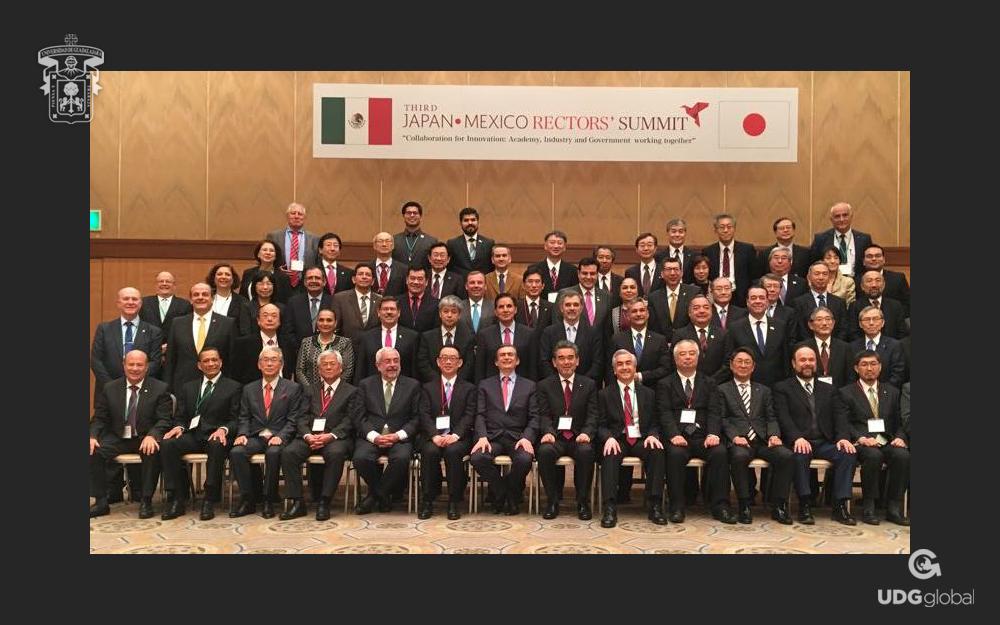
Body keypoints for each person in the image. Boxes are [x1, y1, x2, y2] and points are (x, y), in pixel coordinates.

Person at [773, 346, 858, 526]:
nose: (807, 363)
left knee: (847, 453)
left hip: (825, 442)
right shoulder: (782, 388)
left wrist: (843, 437)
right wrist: (796, 437)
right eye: (802, 360)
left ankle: (840, 505)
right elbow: (783, 417)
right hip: (799, 441)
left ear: (816, 363)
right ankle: (805, 504)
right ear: (794, 363)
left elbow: (840, 416)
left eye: (811, 360)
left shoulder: (829, 389)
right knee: (800, 455)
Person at [158, 348, 242, 521]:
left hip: (218, 435)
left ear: (221, 362)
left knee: (216, 445)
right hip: (193, 434)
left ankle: (209, 499)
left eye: (214, 360)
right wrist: (179, 427)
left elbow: (236, 419)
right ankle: (176, 498)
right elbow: (180, 416)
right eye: (206, 361)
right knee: (168, 443)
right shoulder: (188, 387)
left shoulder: (234, 387)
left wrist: (223, 429)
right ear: (199, 365)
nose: (211, 364)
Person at [89, 350, 173, 518]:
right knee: (92, 450)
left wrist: (153, 435)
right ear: (124, 365)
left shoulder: (160, 388)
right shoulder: (110, 388)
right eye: (131, 364)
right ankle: (101, 501)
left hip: (144, 437)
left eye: (139, 365)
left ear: (146, 367)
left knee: (152, 451)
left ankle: (146, 501)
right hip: (118, 437)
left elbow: (165, 419)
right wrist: (92, 436)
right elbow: (99, 418)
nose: (135, 368)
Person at [660, 339, 736, 524]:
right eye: (682, 354)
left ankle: (720, 506)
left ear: (698, 357)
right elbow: (664, 412)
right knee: (675, 455)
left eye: (691, 353)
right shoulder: (665, 383)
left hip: (703, 436)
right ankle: (677, 506)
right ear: (675, 358)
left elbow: (714, 411)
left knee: (720, 452)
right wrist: (673, 435)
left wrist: (713, 433)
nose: (687, 357)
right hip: (678, 436)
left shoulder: (709, 382)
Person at [280, 350, 361, 521]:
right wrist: (307, 435)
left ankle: (325, 501)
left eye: (332, 364)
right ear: (318, 370)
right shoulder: (309, 390)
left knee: (336, 453)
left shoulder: (351, 391)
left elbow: (350, 420)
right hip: (310, 436)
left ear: (341, 368)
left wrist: (330, 435)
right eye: (325, 364)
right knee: (289, 452)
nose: (329, 367)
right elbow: (301, 417)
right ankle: (297, 502)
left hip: (336, 438)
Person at [228, 346, 307, 518]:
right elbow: (244, 417)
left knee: (273, 453)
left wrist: (281, 436)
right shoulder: (249, 389)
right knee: (237, 452)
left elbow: (293, 419)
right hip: (256, 436)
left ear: (281, 364)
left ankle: (269, 500)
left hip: (280, 436)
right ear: (259, 364)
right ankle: (248, 499)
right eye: (266, 360)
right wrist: (242, 434)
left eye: (274, 360)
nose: (269, 364)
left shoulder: (293, 388)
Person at [718, 348, 795, 524]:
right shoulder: (722, 390)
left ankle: (779, 505)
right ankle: (744, 505)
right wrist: (734, 436)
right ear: (731, 365)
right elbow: (722, 419)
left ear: (753, 367)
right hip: (739, 441)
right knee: (739, 457)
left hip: (762, 440)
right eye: (739, 361)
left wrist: (774, 435)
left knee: (786, 456)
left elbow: (771, 417)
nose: (743, 365)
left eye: (747, 362)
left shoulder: (764, 390)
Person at [597, 349, 667, 527]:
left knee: (657, 451)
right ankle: (609, 508)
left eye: (628, 363)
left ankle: (655, 505)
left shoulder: (649, 394)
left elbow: (656, 421)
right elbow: (600, 424)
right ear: (614, 370)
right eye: (619, 364)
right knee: (609, 453)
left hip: (642, 438)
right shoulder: (604, 394)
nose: (624, 367)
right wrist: (608, 438)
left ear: (635, 368)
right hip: (618, 438)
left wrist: (653, 435)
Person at [840, 350, 910, 526]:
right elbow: (844, 422)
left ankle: (893, 508)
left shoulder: (892, 392)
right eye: (864, 364)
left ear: (880, 367)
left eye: (873, 364)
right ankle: (869, 507)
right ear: (856, 368)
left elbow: (901, 420)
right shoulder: (846, 392)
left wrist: (900, 437)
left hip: (887, 440)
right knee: (873, 456)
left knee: (902, 455)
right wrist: (860, 438)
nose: (869, 368)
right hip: (862, 442)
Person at [353, 347, 427, 513]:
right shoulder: (365, 385)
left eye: (396, 361)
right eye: (387, 361)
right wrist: (374, 436)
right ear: (378, 365)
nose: (392, 365)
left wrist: (398, 435)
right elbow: (359, 416)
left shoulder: (413, 385)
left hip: (400, 437)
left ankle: (375, 496)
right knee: (360, 458)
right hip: (372, 436)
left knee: (401, 458)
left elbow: (417, 418)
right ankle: (383, 496)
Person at [470, 345, 540, 515]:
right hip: (491, 437)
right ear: (496, 362)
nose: (507, 357)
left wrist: (527, 437)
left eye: (510, 355)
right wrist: (482, 436)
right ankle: (505, 493)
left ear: (517, 361)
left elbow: (534, 417)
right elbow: (480, 414)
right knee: (478, 457)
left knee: (524, 459)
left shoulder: (529, 386)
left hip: (518, 438)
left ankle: (505, 495)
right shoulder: (485, 385)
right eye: (502, 355)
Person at [536, 341, 598, 521]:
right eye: (561, 358)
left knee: (586, 452)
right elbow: (543, 414)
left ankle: (582, 502)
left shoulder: (589, 384)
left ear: (577, 361)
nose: (566, 362)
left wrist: (587, 433)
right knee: (545, 451)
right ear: (554, 362)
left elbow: (593, 415)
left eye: (570, 358)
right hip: (555, 437)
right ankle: (552, 501)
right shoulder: (544, 385)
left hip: (579, 437)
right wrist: (548, 431)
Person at [417, 345, 476, 520]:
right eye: (444, 358)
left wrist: (455, 436)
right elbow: (424, 414)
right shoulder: (427, 387)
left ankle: (454, 500)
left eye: (452, 358)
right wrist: (434, 435)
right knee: (429, 451)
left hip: (459, 438)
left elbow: (469, 415)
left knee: (453, 451)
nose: (448, 362)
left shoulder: (469, 388)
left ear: (460, 363)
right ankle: (428, 499)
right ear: (438, 362)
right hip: (433, 436)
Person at [163, 283, 236, 393]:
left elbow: (231, 360)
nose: (200, 297)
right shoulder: (177, 323)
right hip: (183, 387)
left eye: (205, 294)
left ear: (212, 299)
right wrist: (168, 390)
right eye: (196, 295)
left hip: (217, 388)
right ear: (191, 300)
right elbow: (170, 360)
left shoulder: (227, 323)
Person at [92, 287, 163, 392]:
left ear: (140, 304)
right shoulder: (104, 329)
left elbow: (155, 363)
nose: (130, 302)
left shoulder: (154, 332)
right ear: (118, 303)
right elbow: (96, 361)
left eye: (134, 299)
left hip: (140, 390)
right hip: (107, 389)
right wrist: (111, 386)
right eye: (126, 299)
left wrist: (134, 382)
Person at [723, 286, 792, 387]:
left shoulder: (780, 326)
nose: (758, 301)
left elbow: (785, 358)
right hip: (747, 385)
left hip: (776, 386)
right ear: (747, 302)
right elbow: (730, 358)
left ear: (767, 302)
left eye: (762, 298)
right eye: (753, 298)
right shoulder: (735, 328)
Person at [605, 298, 671, 389]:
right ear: (628, 316)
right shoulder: (617, 339)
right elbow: (610, 370)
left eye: (642, 310)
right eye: (634, 311)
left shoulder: (660, 340)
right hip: (624, 391)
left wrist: (641, 376)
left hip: (653, 391)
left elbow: (665, 369)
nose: (638, 314)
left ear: (647, 314)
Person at [539, 291, 603, 382]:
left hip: (585, 386)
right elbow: (544, 361)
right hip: (555, 385)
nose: (572, 308)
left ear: (581, 308)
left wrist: (581, 384)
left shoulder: (593, 333)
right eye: (568, 305)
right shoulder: (549, 332)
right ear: (561, 308)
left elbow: (597, 363)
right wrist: (559, 382)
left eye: (576, 305)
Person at [355, 296, 420, 381]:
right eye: (385, 309)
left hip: (403, 386)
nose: (389, 312)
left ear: (399, 312)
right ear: (378, 312)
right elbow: (361, 369)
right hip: (373, 386)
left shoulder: (411, 337)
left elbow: (414, 370)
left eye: (392, 309)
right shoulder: (367, 337)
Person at [475, 293, 536, 382]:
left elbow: (533, 367)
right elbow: (479, 368)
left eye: (509, 306)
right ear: (495, 312)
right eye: (501, 307)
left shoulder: (529, 334)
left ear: (515, 310)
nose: (505, 310)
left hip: (522, 386)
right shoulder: (484, 335)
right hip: (492, 386)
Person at [231, 303, 296, 384]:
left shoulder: (288, 344)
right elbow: (236, 375)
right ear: (258, 320)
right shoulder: (243, 344)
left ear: (279, 321)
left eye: (274, 316)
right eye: (265, 315)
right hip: (253, 390)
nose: (269, 319)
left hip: (283, 390)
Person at [702, 213, 759, 304]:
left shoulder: (747, 249)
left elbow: (755, 276)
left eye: (729, 227)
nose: (726, 230)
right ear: (715, 230)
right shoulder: (708, 251)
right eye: (722, 227)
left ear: (734, 229)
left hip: (741, 296)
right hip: (716, 296)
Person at [417, 296, 475, 383]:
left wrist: (454, 381)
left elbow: (469, 364)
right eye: (446, 311)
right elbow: (423, 363)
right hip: (433, 384)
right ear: (440, 314)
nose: (449, 315)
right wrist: (440, 381)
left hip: (459, 384)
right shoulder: (427, 337)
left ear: (459, 315)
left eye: (454, 312)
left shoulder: (468, 337)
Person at [671, 296, 729, 382]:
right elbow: (674, 362)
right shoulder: (680, 335)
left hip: (718, 385)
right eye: (696, 308)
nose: (701, 311)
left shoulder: (723, 334)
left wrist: (711, 382)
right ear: (689, 313)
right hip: (688, 384)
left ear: (712, 311)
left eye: (706, 307)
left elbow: (728, 363)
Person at [809, 201, 873, 278]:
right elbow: (813, 265)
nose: (841, 219)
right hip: (829, 282)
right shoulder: (820, 239)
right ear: (831, 219)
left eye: (845, 215)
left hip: (857, 282)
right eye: (837, 216)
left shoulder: (864, 239)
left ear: (851, 216)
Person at [295, 308, 355, 388]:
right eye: (321, 320)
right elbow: (300, 370)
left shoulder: (345, 342)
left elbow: (348, 370)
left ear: (335, 323)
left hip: (337, 391)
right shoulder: (306, 342)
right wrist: (311, 390)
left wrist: (332, 388)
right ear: (317, 322)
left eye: (329, 320)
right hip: (310, 391)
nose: (325, 323)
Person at [791, 261, 849, 342]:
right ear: (809, 277)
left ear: (829, 277)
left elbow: (843, 329)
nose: (821, 277)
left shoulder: (839, 302)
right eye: (817, 274)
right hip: (807, 347)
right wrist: (815, 345)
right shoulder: (798, 303)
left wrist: (831, 345)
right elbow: (799, 330)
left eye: (825, 274)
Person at [265, 202, 319, 289]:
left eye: (300, 214)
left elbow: (318, 263)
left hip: (305, 285)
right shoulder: (274, 236)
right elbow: (266, 260)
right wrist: (277, 270)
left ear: (304, 217)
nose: (296, 216)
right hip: (279, 283)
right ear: (287, 216)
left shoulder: (315, 239)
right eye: (293, 213)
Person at [849, 306, 906, 388]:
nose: (871, 323)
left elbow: (898, 374)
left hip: (887, 392)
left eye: (875, 319)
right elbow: (850, 375)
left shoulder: (895, 345)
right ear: (860, 324)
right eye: (867, 319)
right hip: (858, 393)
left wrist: (881, 391)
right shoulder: (852, 347)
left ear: (882, 323)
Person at [795, 307, 852, 388]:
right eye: (819, 319)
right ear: (810, 325)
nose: (824, 323)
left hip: (839, 393)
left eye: (828, 319)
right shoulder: (802, 347)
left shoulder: (845, 348)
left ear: (833, 323)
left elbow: (850, 377)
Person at [647, 257, 702, 340]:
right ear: (662, 274)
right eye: (668, 269)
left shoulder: (694, 293)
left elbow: (698, 320)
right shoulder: (653, 297)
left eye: (676, 269)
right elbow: (653, 326)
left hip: (689, 342)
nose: (672, 273)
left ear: (681, 273)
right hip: (663, 343)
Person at [848, 269, 908, 341]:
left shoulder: (895, 306)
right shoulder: (854, 306)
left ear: (884, 285)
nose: (874, 285)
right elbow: (853, 333)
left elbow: (902, 333)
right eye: (869, 281)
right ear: (862, 286)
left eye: (878, 280)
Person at [331, 263, 381, 342]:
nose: (364, 277)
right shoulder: (340, 298)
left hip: (373, 345)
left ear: (373, 281)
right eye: (360, 274)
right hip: (347, 345)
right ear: (353, 279)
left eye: (368, 275)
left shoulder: (380, 300)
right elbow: (335, 327)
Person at [556, 257, 610, 331]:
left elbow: (607, 327)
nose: (588, 277)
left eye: (592, 274)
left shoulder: (606, 296)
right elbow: (557, 323)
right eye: (585, 273)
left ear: (597, 274)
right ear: (578, 274)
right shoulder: (564, 293)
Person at [285, 266, 333, 348]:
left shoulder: (334, 302)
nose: (313, 281)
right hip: (299, 350)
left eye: (317, 278)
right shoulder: (293, 302)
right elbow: (288, 331)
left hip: (328, 351)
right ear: (305, 282)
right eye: (310, 278)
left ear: (324, 282)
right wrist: (302, 349)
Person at [858, 243, 910, 318]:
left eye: (878, 256)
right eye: (869, 256)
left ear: (884, 260)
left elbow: (907, 305)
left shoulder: (898, 278)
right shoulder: (857, 280)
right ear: (863, 261)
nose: (874, 259)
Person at [139, 271, 192, 343]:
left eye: (168, 281)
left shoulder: (185, 305)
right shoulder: (144, 303)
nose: (164, 284)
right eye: (161, 281)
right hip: (149, 345)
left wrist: (170, 345)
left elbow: (186, 330)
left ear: (174, 285)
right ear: (156, 285)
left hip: (174, 346)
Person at [206, 262, 253, 337]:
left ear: (233, 279)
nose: (223, 277)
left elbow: (245, 331)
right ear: (213, 278)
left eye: (227, 274)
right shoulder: (205, 299)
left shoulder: (243, 302)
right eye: (219, 274)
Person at [241, 239, 294, 304]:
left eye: (271, 251)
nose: (268, 253)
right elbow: (242, 298)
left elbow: (287, 302)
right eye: (264, 250)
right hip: (249, 310)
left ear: (276, 256)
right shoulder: (248, 273)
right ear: (258, 254)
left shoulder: (283, 277)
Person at [446, 206, 495, 276]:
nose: (470, 223)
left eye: (473, 220)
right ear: (460, 223)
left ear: (478, 222)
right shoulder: (452, 244)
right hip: (460, 282)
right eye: (466, 220)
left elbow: (492, 268)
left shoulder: (489, 243)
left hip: (482, 282)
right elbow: (449, 268)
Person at [392, 201, 438, 268]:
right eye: (408, 213)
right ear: (403, 216)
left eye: (415, 213)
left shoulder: (431, 241)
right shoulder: (394, 240)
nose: (412, 215)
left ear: (420, 216)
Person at [534, 230, 578, 297]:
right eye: (552, 242)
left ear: (564, 247)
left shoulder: (573, 270)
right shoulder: (535, 269)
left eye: (560, 243)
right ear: (545, 246)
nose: (556, 246)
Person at [397, 266, 439, 333]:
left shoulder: (436, 304)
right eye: (412, 278)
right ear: (407, 280)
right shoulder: (396, 302)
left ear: (426, 282)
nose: (416, 282)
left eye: (420, 279)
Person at [625, 232, 663, 297]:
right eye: (642, 246)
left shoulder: (663, 270)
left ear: (655, 248)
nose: (646, 248)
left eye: (649, 245)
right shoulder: (630, 272)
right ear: (636, 249)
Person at [316, 232, 355, 296]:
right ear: (320, 250)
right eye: (328, 245)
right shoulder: (312, 271)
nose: (332, 249)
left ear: (339, 251)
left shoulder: (349, 273)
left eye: (336, 245)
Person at [660, 218, 697, 284]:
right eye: (673, 231)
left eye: (681, 231)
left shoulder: (694, 256)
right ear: (667, 233)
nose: (677, 235)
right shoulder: (659, 257)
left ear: (685, 233)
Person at [371, 231, 408, 297]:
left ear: (393, 246)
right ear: (374, 246)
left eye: (387, 241)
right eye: (380, 241)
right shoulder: (367, 267)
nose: (384, 244)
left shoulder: (404, 269)